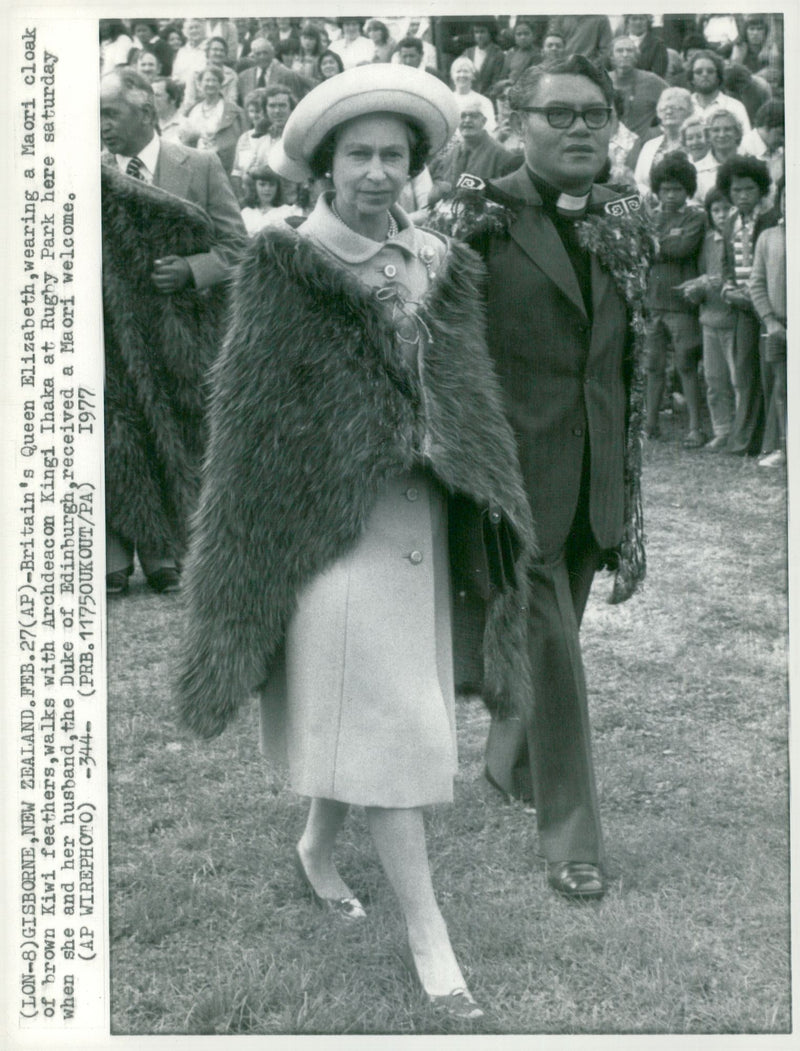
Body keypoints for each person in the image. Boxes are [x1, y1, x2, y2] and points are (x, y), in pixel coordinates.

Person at [176, 62, 536, 1019]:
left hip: (426, 526)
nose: (377, 173)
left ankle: (314, 846)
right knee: (394, 729)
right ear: (324, 169)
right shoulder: (286, 265)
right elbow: (252, 418)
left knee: (374, 713)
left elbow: (465, 390)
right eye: (358, 156)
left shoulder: (437, 260)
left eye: (393, 155)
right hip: (330, 536)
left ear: (415, 164)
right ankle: (431, 937)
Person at [445, 56, 654, 901]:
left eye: (595, 116)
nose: (579, 129)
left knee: (551, 634)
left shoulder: (623, 219)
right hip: (511, 482)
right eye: (558, 114)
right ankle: (573, 834)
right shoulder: (479, 219)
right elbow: (449, 355)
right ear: (513, 120)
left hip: (595, 475)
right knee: (559, 656)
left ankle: (505, 763)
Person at [99, 69, 247, 595]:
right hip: (113, 337)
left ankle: (169, 555)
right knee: (119, 438)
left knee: (179, 437)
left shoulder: (200, 165)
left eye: (110, 114)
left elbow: (238, 247)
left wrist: (192, 269)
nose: (101, 126)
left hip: (181, 338)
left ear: (146, 112)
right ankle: (114, 558)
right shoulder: (85, 173)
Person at [642, 154, 706, 446]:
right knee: (653, 367)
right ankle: (651, 424)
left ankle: (695, 427)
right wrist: (663, 242)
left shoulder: (695, 216)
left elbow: (683, 248)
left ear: (688, 190)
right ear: (657, 189)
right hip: (653, 303)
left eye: (677, 189)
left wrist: (656, 243)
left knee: (686, 365)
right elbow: (640, 247)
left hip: (681, 304)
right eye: (665, 189)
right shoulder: (651, 216)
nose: (670, 195)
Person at [718, 155, 778, 457]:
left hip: (766, 305)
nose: (742, 196)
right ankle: (745, 440)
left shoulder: (771, 219)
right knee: (745, 372)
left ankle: (771, 442)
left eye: (749, 190)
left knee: (768, 372)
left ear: (761, 190)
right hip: (741, 306)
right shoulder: (730, 221)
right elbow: (728, 262)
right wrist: (728, 288)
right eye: (736, 190)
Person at [678, 187, 736, 451]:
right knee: (714, 380)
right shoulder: (708, 240)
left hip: (734, 319)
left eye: (727, 208)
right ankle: (721, 429)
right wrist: (696, 293)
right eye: (716, 210)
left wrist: (708, 283)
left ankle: (740, 430)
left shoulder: (737, 237)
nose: (723, 215)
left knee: (738, 379)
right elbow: (704, 272)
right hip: (709, 318)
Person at [749, 177, 786, 468]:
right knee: (783, 389)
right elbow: (757, 283)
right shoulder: (769, 237)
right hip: (777, 327)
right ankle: (786, 448)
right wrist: (771, 321)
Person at [182, 66, 246, 175]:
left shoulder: (234, 111)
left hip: (222, 165)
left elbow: (242, 141)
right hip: (196, 165)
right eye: (207, 80)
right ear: (199, 84)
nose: (210, 84)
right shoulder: (192, 110)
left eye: (214, 80)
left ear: (221, 84)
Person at [634, 87, 694, 198]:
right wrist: (650, 196)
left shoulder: (694, 144)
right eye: (664, 108)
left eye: (677, 108)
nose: (669, 112)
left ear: (689, 112)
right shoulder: (649, 146)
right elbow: (638, 182)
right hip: (653, 206)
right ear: (658, 112)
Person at [609, 36, 668, 139]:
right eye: (619, 51)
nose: (625, 54)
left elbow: (676, 103)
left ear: (636, 56)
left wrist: (656, 132)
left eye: (629, 51)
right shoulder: (603, 81)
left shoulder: (652, 81)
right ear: (611, 57)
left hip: (642, 147)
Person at [687, 50, 751, 135]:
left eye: (710, 71)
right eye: (699, 72)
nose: (704, 74)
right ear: (692, 78)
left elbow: (745, 142)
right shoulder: (684, 106)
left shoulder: (735, 107)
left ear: (718, 76)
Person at [237, 37, 310, 106]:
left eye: (265, 53)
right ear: (253, 56)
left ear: (272, 54)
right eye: (258, 54)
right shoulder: (243, 77)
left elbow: (295, 102)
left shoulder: (287, 75)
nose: (262, 57)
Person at [450, 56, 495, 133]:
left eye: (466, 71)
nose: (462, 75)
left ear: (473, 76)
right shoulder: (447, 99)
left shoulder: (484, 101)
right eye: (458, 71)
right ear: (452, 76)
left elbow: (490, 129)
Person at [463, 22, 505, 97]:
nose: (479, 35)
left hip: (489, 98)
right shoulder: (468, 52)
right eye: (476, 32)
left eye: (482, 32)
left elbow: (496, 82)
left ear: (490, 33)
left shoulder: (498, 54)